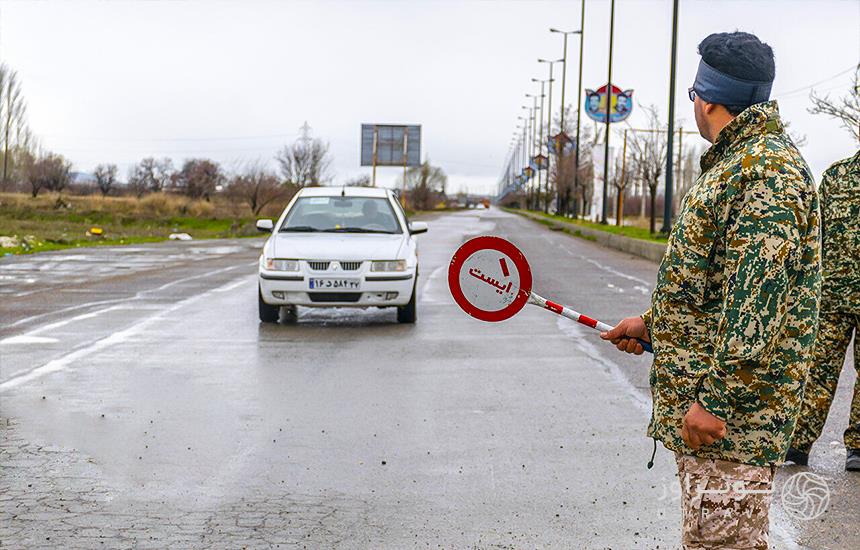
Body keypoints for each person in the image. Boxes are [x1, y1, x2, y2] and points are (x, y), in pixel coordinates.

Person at [601, 31, 820, 549]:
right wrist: (655, 328)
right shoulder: (738, 165)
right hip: (717, 415)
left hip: (732, 423)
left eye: (694, 95)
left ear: (709, 98)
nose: (693, 105)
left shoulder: (765, 173)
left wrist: (717, 400)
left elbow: (756, 304)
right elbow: (719, 286)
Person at [786, 147, 860, 471]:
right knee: (818, 370)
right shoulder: (835, 177)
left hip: (835, 292)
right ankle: (799, 441)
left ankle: (858, 446)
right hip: (833, 294)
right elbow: (814, 232)